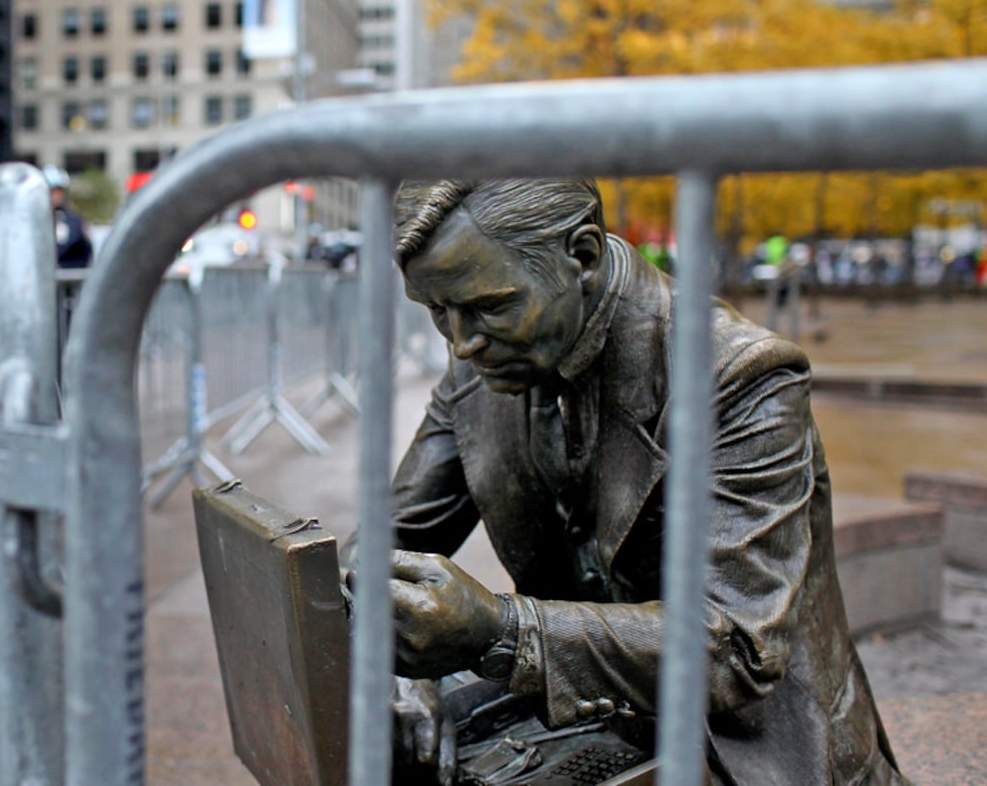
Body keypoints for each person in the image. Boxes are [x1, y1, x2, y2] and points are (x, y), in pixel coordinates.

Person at [373, 177, 904, 783]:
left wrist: (501, 629)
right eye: (437, 311)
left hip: (738, 745)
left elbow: (736, 648)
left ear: (582, 256)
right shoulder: (483, 360)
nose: (462, 344)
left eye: (489, 307)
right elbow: (385, 546)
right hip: (574, 718)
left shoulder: (740, 374)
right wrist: (396, 668)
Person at [51, 183, 93, 269]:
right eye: (53, 192)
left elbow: (75, 241)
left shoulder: (72, 219)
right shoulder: (38, 218)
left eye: (58, 192)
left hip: (68, 269)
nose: (56, 196)